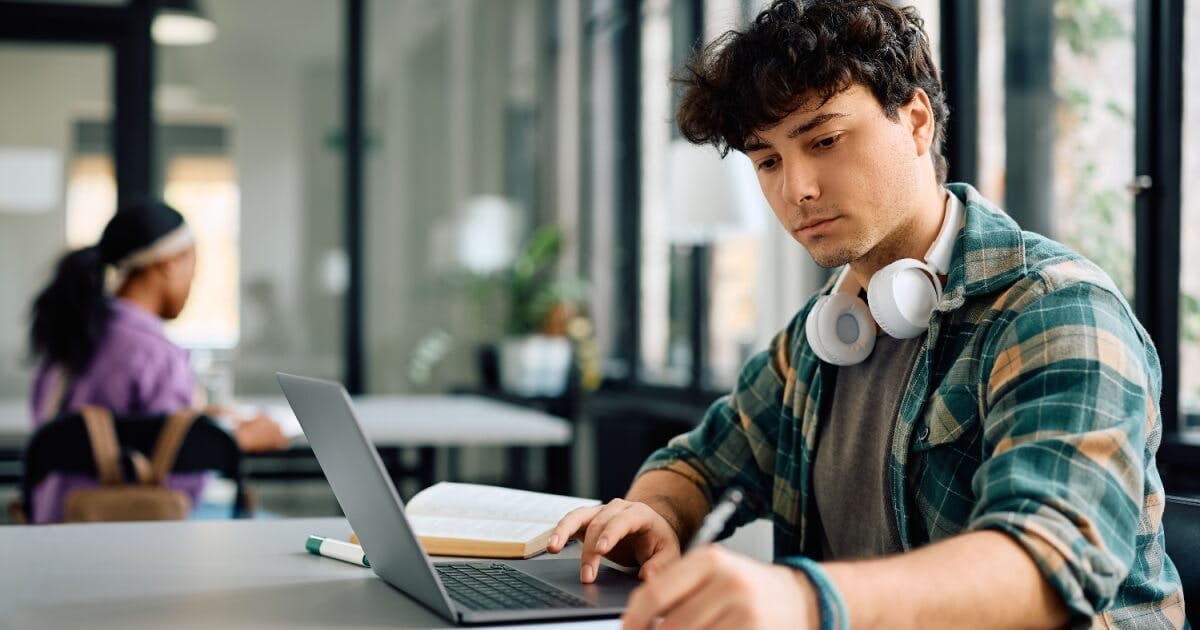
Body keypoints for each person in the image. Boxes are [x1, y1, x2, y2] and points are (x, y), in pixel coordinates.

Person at [548, 1, 1186, 628]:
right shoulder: (819, 337)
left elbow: (1051, 566)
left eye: (824, 139)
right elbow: (697, 463)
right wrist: (656, 514)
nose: (796, 188)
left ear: (914, 122)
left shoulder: (1056, 311)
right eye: (767, 160)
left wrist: (804, 600)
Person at [28, 200, 288, 524]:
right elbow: (178, 486)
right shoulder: (157, 355)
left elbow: (67, 433)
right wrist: (235, 441)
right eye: (193, 265)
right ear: (168, 264)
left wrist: (197, 423)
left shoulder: (69, 338)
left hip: (52, 523)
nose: (194, 281)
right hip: (126, 534)